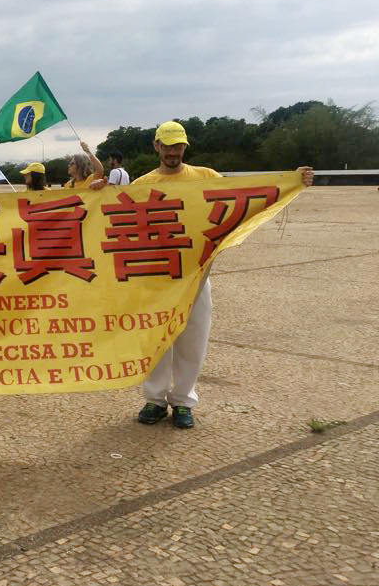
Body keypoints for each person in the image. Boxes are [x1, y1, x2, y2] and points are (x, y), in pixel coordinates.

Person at [134, 121, 314, 429]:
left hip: (197, 276)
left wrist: (293, 180)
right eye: (167, 146)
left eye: (178, 146)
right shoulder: (142, 184)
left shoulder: (207, 178)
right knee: (156, 341)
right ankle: (155, 400)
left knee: (193, 341)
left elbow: (245, 197)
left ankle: (183, 401)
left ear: (185, 147)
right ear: (156, 146)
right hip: (156, 278)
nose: (173, 152)